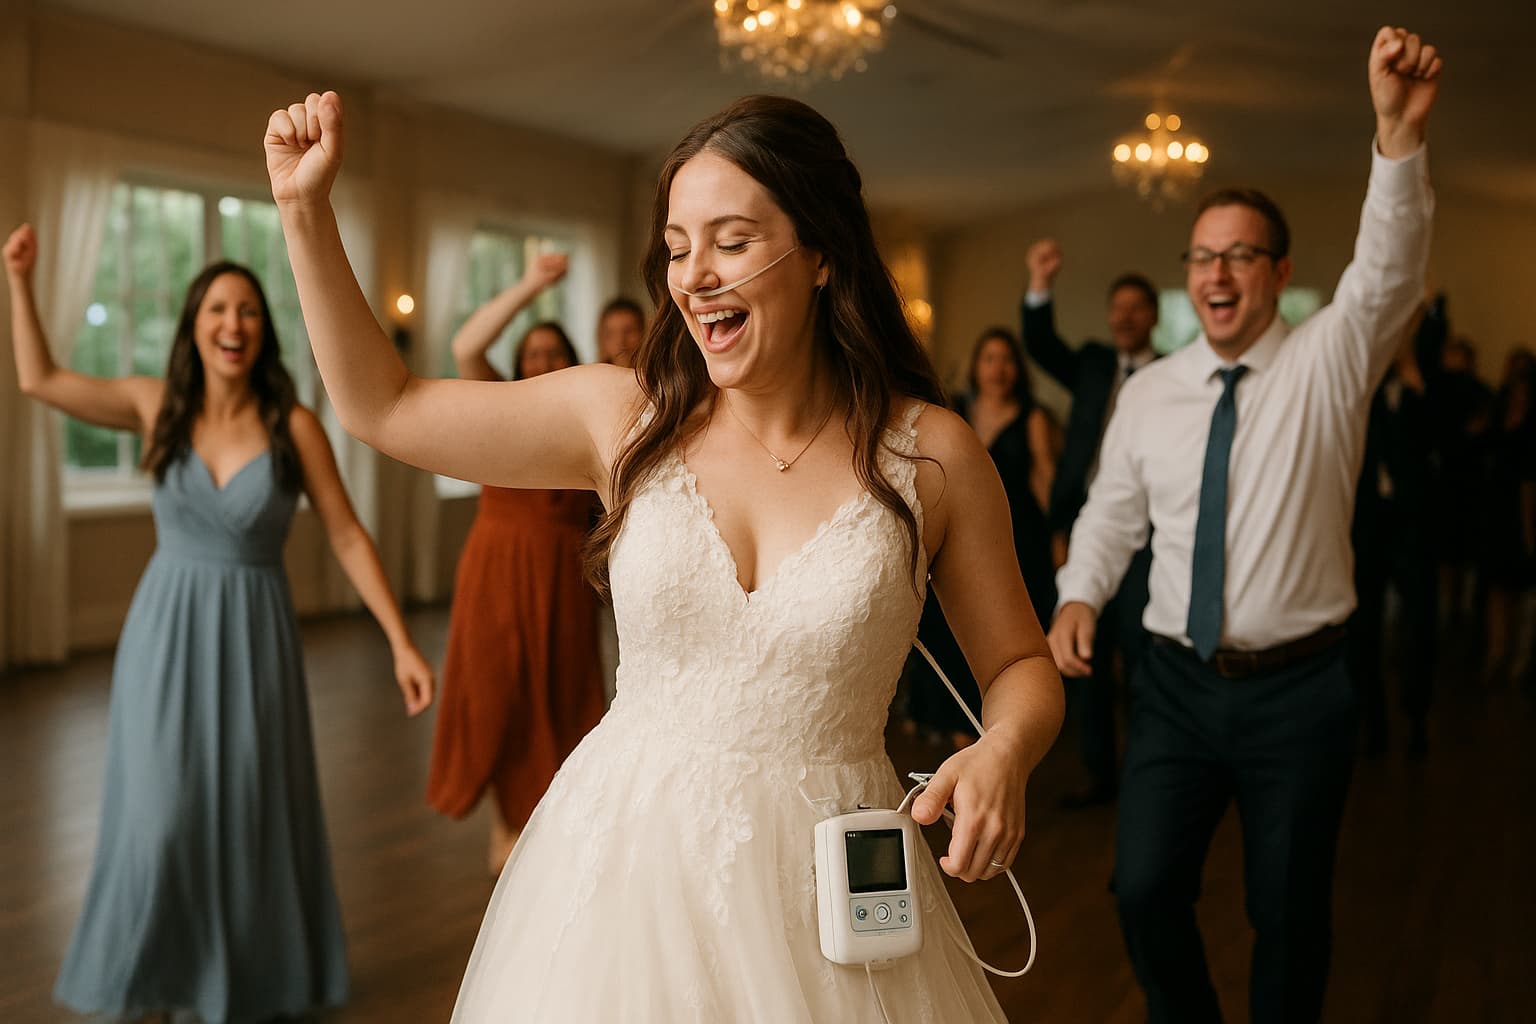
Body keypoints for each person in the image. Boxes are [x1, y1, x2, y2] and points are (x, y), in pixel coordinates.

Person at [265, 90, 1064, 1020]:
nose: (696, 277)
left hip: (831, 890)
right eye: (679, 248)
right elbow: (383, 407)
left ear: (820, 255)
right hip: (622, 872)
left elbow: (1019, 665)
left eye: (731, 241)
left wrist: (1004, 749)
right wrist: (303, 212)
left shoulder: (934, 456)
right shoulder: (621, 420)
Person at [1046, 27, 1441, 1024]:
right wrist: (1081, 590)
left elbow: (1389, 271)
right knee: (1140, 889)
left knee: (1289, 914)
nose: (1217, 275)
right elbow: (1110, 514)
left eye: (1241, 257)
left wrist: (1394, 134)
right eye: (1203, 257)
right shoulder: (1156, 393)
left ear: (1277, 271)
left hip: (1301, 691)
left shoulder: (1331, 362)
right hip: (1175, 684)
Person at [3, 224, 435, 1022]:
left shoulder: (294, 424)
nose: (233, 325)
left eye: (247, 311)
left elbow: (345, 531)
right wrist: (19, 280)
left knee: (243, 810)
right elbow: (39, 379)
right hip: (164, 632)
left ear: (263, 329)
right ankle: (156, 976)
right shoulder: (153, 403)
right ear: (194, 325)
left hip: (254, 638)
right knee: (160, 816)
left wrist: (401, 640)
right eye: (216, 310)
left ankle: (235, 984)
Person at [427, 252, 606, 874]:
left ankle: (554, 829)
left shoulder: (592, 430)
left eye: (555, 353)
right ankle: (508, 826)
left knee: (562, 699)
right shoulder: (497, 408)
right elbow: (466, 342)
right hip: (497, 573)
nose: (543, 363)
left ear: (572, 364)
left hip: (564, 583)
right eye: (532, 354)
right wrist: (532, 285)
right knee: (500, 692)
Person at [1022, 242, 1160, 809]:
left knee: (1143, 652)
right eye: (1117, 307)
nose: (1125, 316)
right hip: (1085, 524)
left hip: (1154, 534)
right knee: (1089, 657)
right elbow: (1040, 345)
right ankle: (1100, 772)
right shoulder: (1094, 365)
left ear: (1152, 317)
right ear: (1109, 316)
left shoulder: (1174, 374)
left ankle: (1149, 771)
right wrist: (1039, 283)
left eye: (1136, 308)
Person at [906, 327, 1057, 748]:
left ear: (1017, 369)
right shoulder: (953, 413)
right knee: (948, 633)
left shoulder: (1034, 417)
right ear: (977, 366)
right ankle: (957, 730)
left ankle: (995, 732)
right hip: (956, 539)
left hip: (1021, 538)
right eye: (989, 358)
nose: (998, 368)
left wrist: (1061, 541)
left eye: (1007, 359)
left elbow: (1044, 477)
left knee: (1004, 637)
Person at [1349, 304, 1442, 758]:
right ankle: (1374, 723)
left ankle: (1417, 717)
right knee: (1362, 628)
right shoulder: (1359, 387)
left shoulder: (1427, 386)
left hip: (1414, 526)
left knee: (1418, 625)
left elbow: (1441, 446)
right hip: (1366, 526)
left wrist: (1413, 376)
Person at [596, 295, 646, 368]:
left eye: (628, 331)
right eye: (610, 334)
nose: (620, 341)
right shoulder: (591, 376)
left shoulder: (659, 376)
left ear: (644, 332)